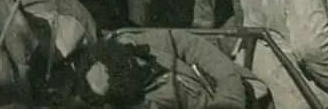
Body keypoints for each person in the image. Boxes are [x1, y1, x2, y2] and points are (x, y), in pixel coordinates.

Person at [72, 30, 262, 109]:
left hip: (231, 86)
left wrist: (227, 85)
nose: (137, 62)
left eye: (114, 61)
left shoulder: (131, 44)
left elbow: (188, 43)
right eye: (120, 72)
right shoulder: (152, 103)